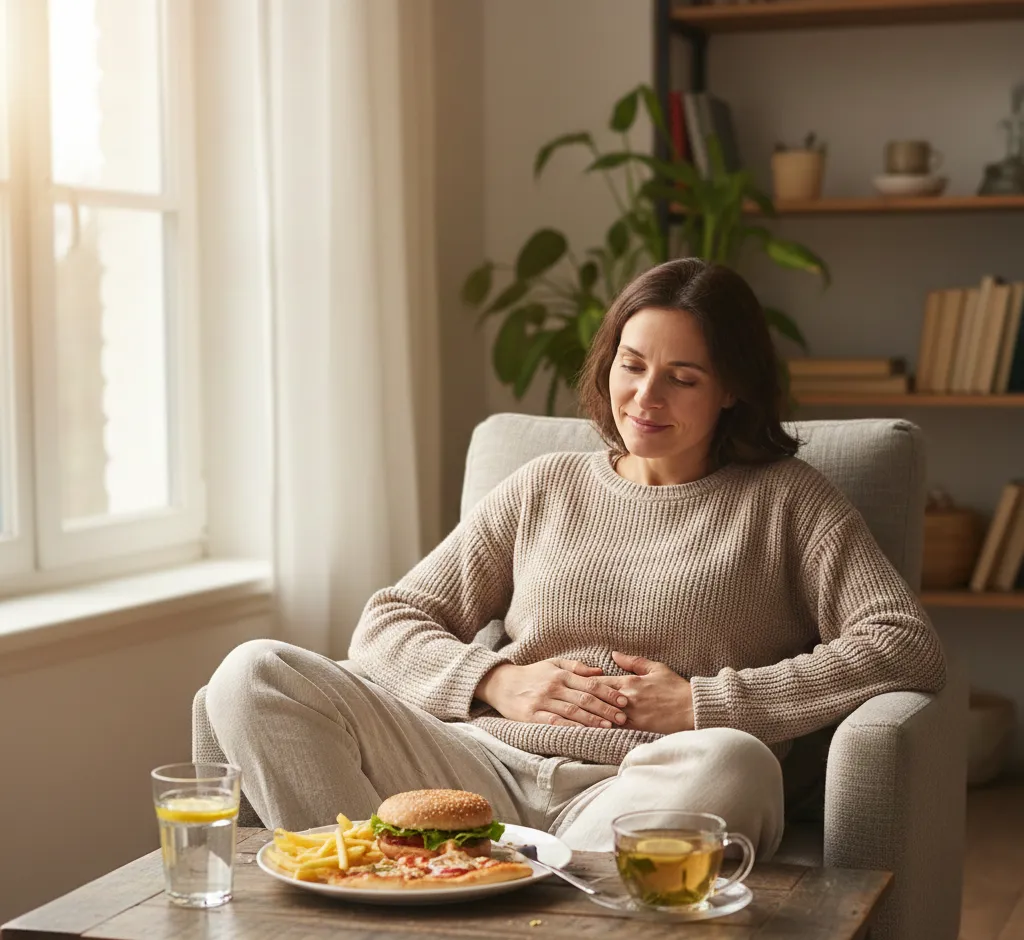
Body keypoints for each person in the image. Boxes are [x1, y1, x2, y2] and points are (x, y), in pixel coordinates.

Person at [206, 258, 946, 856]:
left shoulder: (789, 501)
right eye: (631, 365)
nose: (645, 397)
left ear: (731, 389)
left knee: (736, 763)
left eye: (682, 378)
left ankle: (524, 896)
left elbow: (903, 645)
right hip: (481, 767)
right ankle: (385, 890)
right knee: (253, 674)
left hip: (644, 787)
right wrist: (497, 680)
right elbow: (388, 622)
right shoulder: (545, 485)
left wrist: (703, 704)